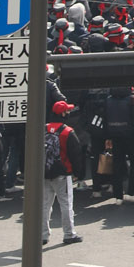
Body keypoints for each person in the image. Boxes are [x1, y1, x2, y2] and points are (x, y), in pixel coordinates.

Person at [41, 100, 84, 247]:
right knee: (66, 204)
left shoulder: (43, 129)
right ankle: (69, 234)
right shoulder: (67, 132)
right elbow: (76, 154)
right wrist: (78, 173)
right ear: (63, 114)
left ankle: (42, 235)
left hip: (44, 172)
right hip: (62, 173)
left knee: (45, 205)